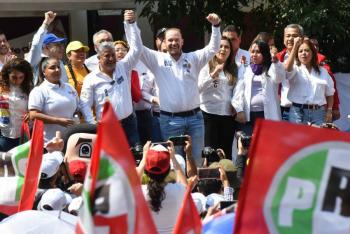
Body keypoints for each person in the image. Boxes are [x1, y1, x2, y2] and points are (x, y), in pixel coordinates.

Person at [139, 13, 222, 166]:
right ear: (164, 42)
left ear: (182, 41)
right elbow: (138, 47)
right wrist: (130, 25)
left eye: (177, 39)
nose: (173, 43)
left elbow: (213, 48)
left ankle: (195, 189)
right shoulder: (157, 60)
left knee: (197, 160)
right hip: (170, 121)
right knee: (176, 163)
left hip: (195, 119)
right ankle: (180, 190)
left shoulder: (193, 58)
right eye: (170, 40)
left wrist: (216, 27)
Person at [80, 10, 142, 147]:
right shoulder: (90, 78)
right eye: (106, 56)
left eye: (112, 55)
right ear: (98, 57)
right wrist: (92, 124)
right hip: (106, 127)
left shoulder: (123, 66)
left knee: (134, 161)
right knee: (112, 165)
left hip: (129, 124)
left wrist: (131, 25)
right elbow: (84, 103)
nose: (111, 59)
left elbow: (137, 49)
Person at [232, 40, 285, 136]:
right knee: (248, 145)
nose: (254, 54)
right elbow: (238, 90)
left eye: (258, 52)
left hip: (267, 114)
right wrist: (239, 109)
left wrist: (276, 62)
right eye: (252, 52)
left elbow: (279, 78)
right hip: (249, 115)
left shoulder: (272, 68)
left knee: (266, 145)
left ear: (264, 53)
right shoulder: (245, 68)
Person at [198, 36, 237, 159]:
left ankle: (226, 177)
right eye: (220, 46)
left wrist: (236, 105)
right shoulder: (206, 65)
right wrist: (213, 74)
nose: (223, 49)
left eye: (226, 47)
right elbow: (198, 88)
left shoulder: (234, 68)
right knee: (210, 153)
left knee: (226, 153)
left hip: (227, 115)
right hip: (209, 114)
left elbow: (237, 90)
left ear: (230, 51)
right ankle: (211, 177)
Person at [138, 141, 187, 234]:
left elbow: (131, 183)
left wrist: (144, 157)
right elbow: (185, 185)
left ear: (146, 171)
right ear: (168, 170)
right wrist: (173, 157)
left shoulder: (140, 192)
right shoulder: (178, 190)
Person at [28, 57, 79, 143]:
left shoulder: (69, 87)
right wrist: (58, 121)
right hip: (48, 142)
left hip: (70, 140)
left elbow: (77, 109)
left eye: (58, 67)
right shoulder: (39, 91)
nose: (57, 70)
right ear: (44, 72)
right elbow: (33, 115)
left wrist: (76, 116)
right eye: (52, 67)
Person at [285, 38, 334, 125]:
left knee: (318, 138)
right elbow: (287, 69)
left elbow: (330, 93)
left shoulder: (323, 71)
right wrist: (295, 47)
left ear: (312, 53)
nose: (303, 53)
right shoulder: (295, 69)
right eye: (300, 51)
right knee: (298, 139)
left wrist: (329, 110)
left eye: (307, 50)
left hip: (318, 113)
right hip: (297, 112)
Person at [26, 11, 68, 85]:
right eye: (57, 44)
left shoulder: (60, 63)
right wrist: (46, 23)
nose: (62, 47)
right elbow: (36, 44)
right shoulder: (36, 61)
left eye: (62, 44)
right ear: (46, 47)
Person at [0, 58, 33, 151]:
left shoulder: (30, 90)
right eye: (14, 77)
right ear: (7, 75)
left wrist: (31, 114)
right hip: (4, 135)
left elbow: (36, 109)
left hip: (24, 136)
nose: (17, 80)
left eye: (21, 77)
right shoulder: (1, 88)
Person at [276, 24, 304, 121]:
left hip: (305, 110)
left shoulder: (311, 58)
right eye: (288, 36)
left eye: (294, 35)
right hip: (283, 109)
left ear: (301, 38)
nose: (291, 38)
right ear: (284, 39)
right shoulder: (277, 58)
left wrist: (333, 108)